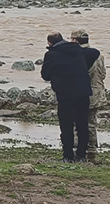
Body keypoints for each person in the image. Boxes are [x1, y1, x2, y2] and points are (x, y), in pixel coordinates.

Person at [41, 31, 92, 162]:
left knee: (67, 126)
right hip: (83, 92)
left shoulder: (51, 55)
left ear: (50, 43)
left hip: (65, 94)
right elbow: (95, 53)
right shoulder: (77, 49)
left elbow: (45, 75)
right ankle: (81, 155)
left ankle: (68, 156)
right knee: (82, 125)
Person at [70, 29, 104, 162]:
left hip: (84, 94)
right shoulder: (99, 54)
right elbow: (103, 74)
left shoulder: (79, 55)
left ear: (75, 40)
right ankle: (92, 151)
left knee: (78, 123)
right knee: (91, 123)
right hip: (98, 92)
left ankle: (79, 150)